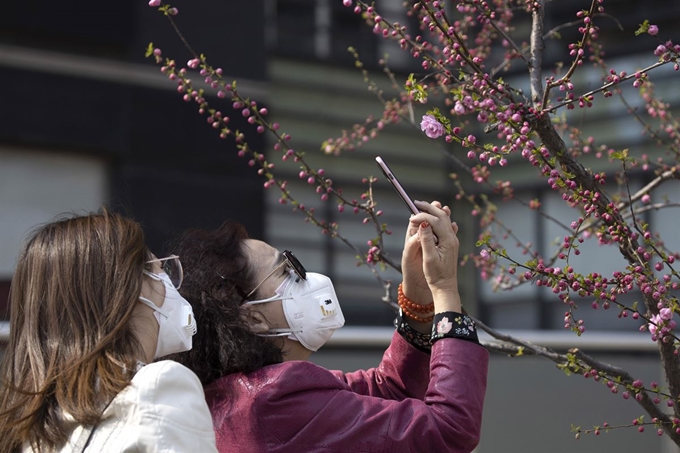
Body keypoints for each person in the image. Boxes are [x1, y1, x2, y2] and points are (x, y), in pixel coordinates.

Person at [170, 200, 489, 453]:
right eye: (285, 271)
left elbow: (389, 392)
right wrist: (445, 289)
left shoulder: (238, 394)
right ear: (253, 318)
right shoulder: (273, 405)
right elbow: (449, 431)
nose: (304, 278)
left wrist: (418, 295)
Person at [0, 210, 218, 453]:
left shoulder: (31, 426)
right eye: (160, 269)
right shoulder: (157, 387)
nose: (171, 283)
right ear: (132, 286)